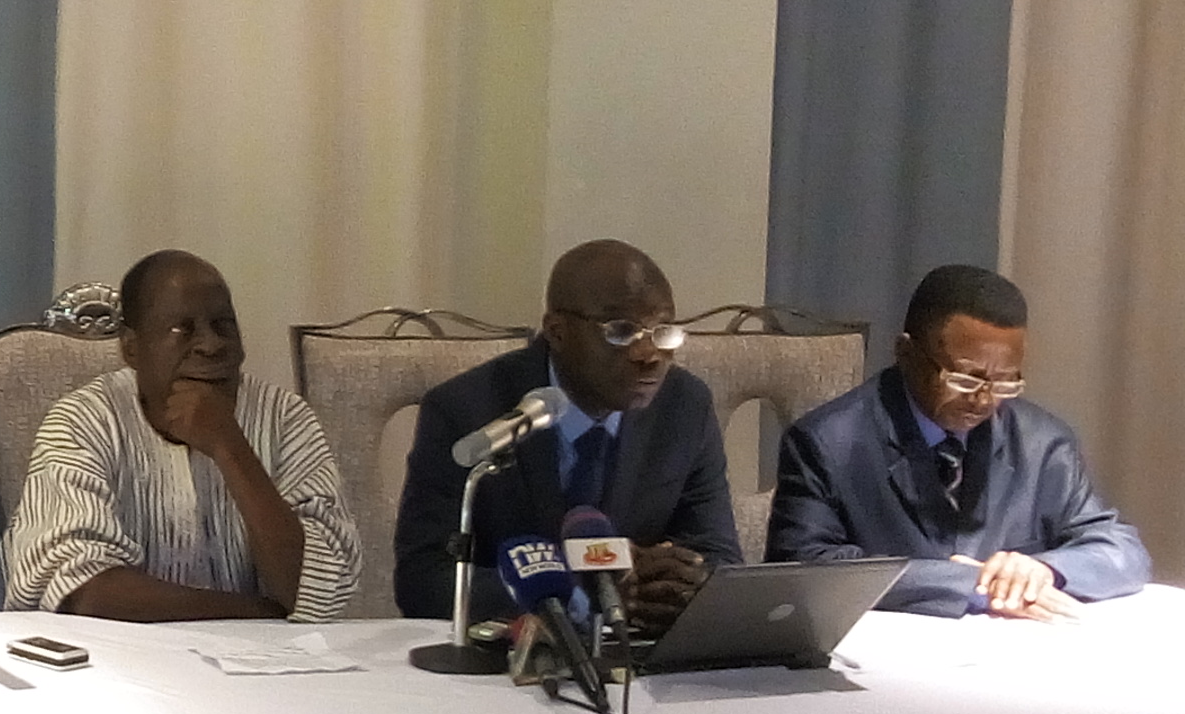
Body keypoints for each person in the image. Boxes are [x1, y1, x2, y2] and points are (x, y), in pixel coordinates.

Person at [394, 239, 740, 629]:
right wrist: (586, 592)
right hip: (513, 654)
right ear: (557, 332)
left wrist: (683, 584)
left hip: (642, 651)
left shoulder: (684, 406)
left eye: (663, 331)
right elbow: (423, 582)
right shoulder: (469, 411)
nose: (648, 354)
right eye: (621, 331)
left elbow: (719, 556)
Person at [767, 263, 1148, 618]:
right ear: (906, 353)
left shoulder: (1043, 444)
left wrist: (1043, 570)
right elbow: (804, 568)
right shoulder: (828, 442)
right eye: (965, 380)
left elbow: (1122, 550)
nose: (984, 400)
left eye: (1004, 382)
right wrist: (972, 583)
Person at [1, 249, 360, 622]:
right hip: (119, 655)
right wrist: (256, 612)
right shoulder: (83, 421)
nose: (211, 345)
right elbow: (83, 591)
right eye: (182, 330)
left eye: (223, 325)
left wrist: (229, 446)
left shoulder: (284, 417)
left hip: (271, 658)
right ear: (132, 349)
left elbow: (320, 590)